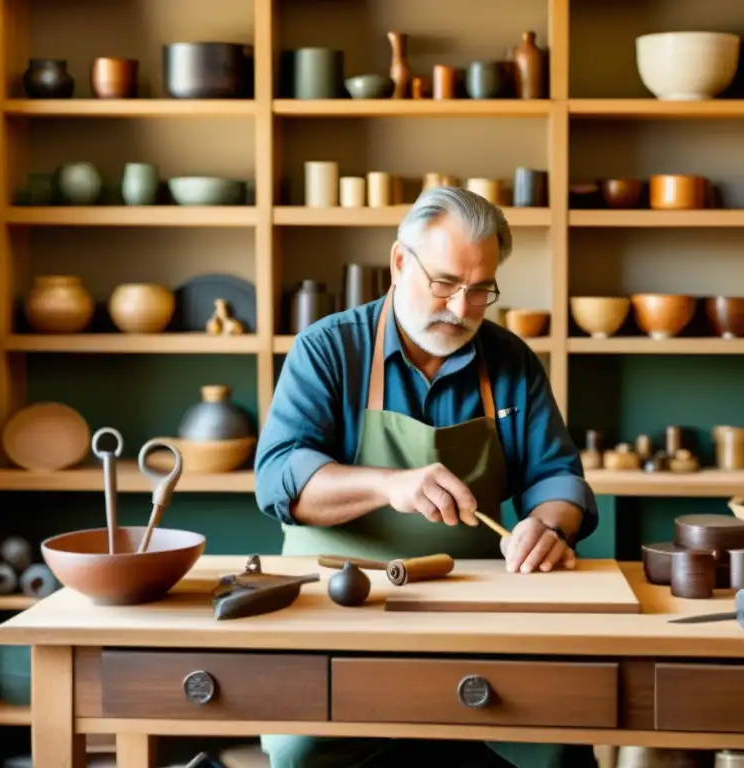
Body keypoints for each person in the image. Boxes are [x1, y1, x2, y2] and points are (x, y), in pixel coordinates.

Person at [253, 186, 600, 768]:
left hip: (476, 616)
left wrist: (549, 527)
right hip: (337, 616)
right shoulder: (329, 349)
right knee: (303, 747)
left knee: (557, 745)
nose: (461, 308)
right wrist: (389, 484)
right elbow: (280, 479)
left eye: (480, 290)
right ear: (398, 262)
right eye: (444, 283)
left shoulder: (510, 361)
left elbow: (558, 478)